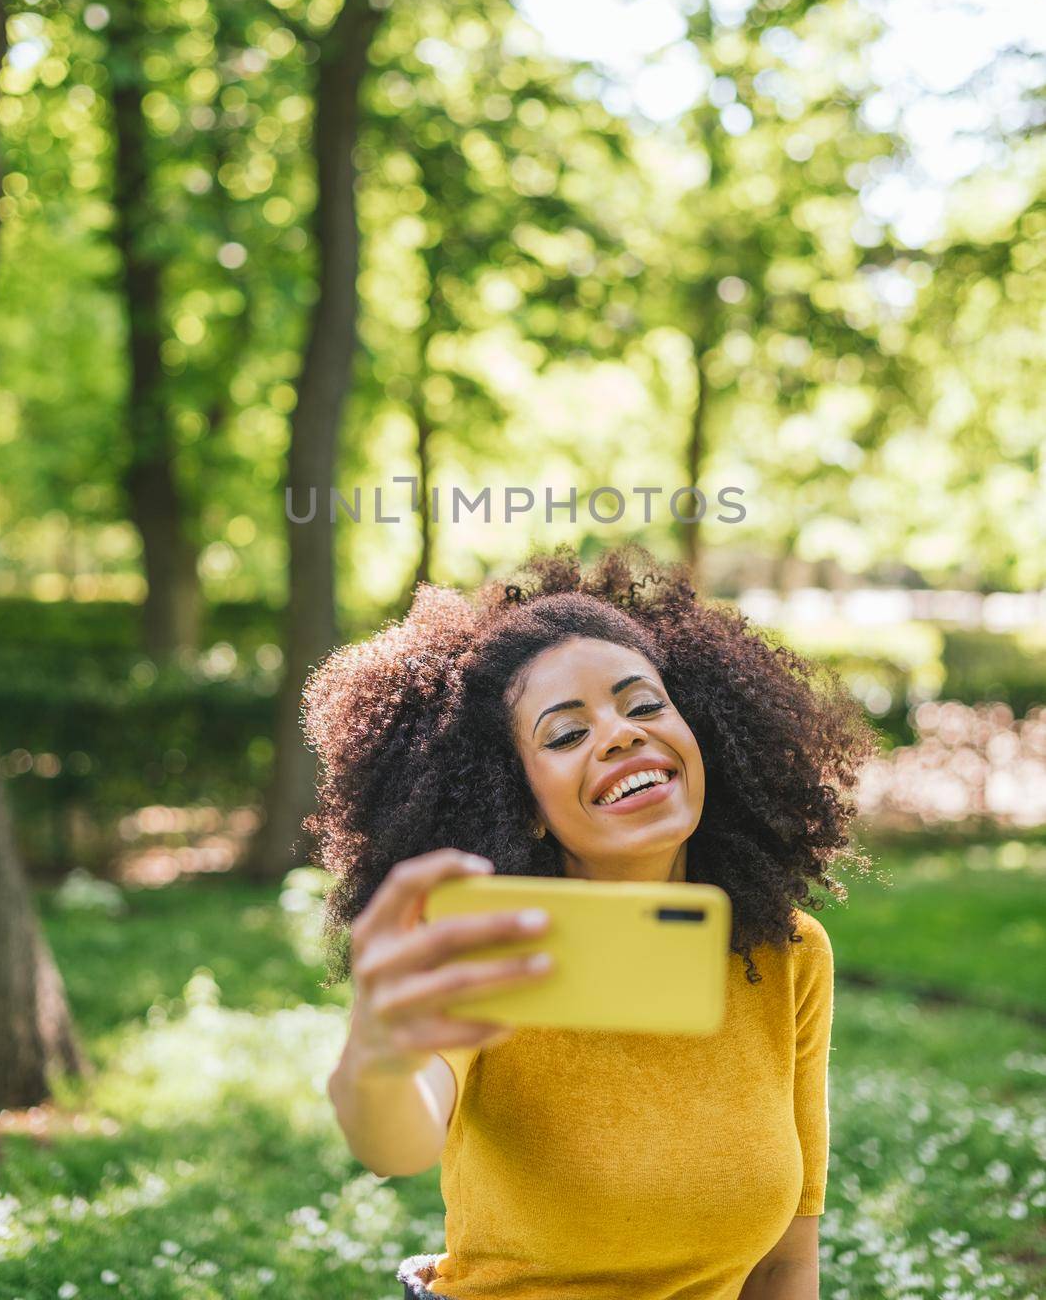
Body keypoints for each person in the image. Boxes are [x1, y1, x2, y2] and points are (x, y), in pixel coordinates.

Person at [306, 543, 877, 1300]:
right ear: (524, 806)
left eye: (644, 705)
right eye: (566, 734)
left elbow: (784, 1264)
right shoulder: (495, 947)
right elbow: (394, 1140)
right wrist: (375, 1053)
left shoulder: (789, 953)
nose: (619, 734)